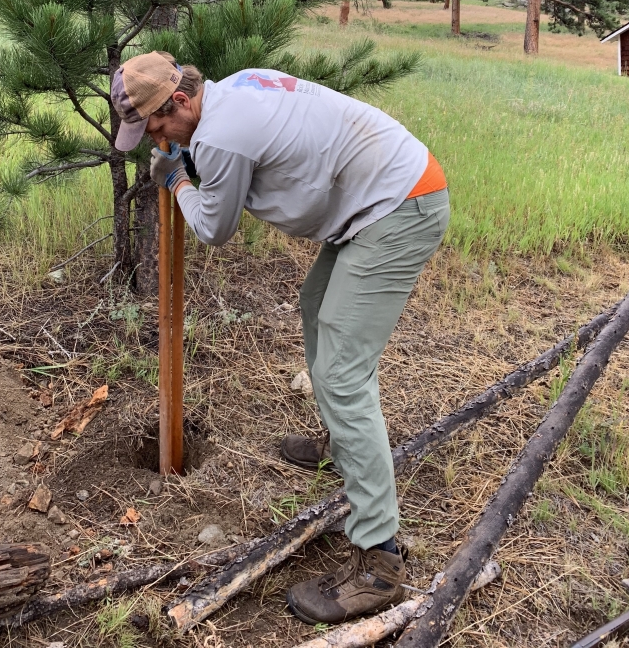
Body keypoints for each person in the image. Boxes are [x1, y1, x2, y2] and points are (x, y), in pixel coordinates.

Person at [111, 50, 449, 625]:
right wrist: (184, 155)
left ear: (181, 100)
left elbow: (215, 228)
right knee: (315, 304)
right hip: (379, 194)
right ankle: (345, 448)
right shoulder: (231, 88)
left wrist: (176, 179)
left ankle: (380, 562)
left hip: (398, 205)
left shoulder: (219, 139)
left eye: (157, 126)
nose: (153, 140)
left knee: (343, 375)